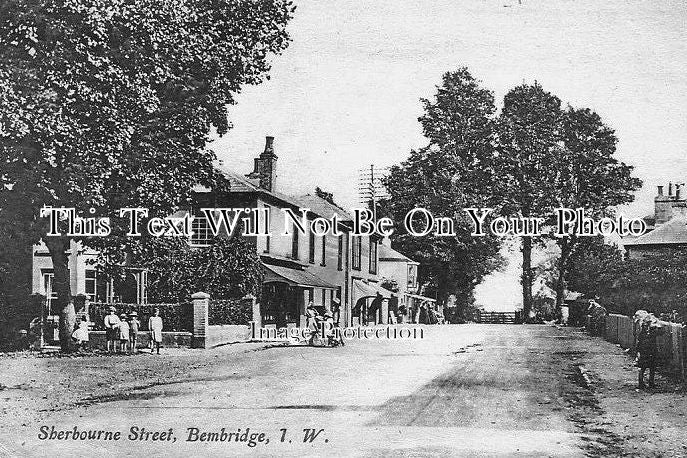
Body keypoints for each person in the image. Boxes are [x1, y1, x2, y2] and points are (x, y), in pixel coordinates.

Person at [637, 316, 662, 389]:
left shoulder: (652, 331)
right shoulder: (643, 333)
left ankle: (650, 383)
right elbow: (639, 344)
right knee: (643, 368)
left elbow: (661, 331)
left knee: (652, 367)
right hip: (645, 352)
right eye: (645, 325)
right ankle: (641, 383)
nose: (646, 326)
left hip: (651, 351)